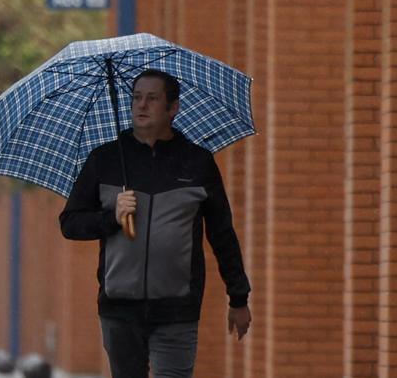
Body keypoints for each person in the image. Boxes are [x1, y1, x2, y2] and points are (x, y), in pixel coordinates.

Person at [58, 69, 253, 378]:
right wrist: (112, 218)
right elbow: (70, 223)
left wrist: (238, 296)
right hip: (119, 309)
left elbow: (222, 233)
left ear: (173, 108)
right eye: (136, 98)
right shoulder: (105, 160)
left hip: (178, 308)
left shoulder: (197, 162)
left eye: (152, 98)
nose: (141, 106)